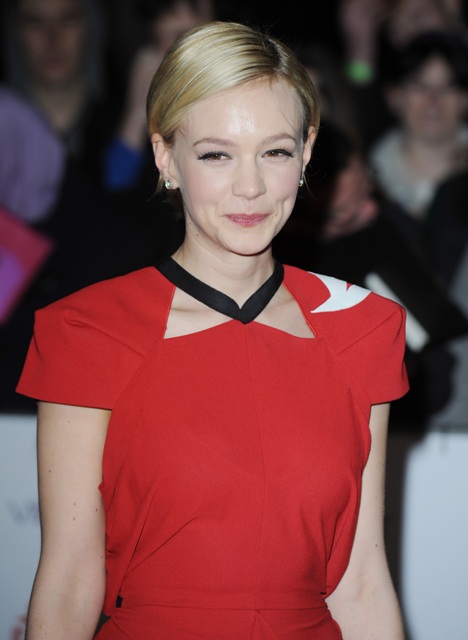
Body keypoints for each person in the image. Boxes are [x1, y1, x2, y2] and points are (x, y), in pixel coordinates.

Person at [17, 21, 409, 639]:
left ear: (307, 152)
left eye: (275, 152)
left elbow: (361, 582)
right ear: (165, 156)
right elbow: (68, 583)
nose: (250, 187)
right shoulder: (88, 331)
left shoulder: (361, 328)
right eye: (216, 154)